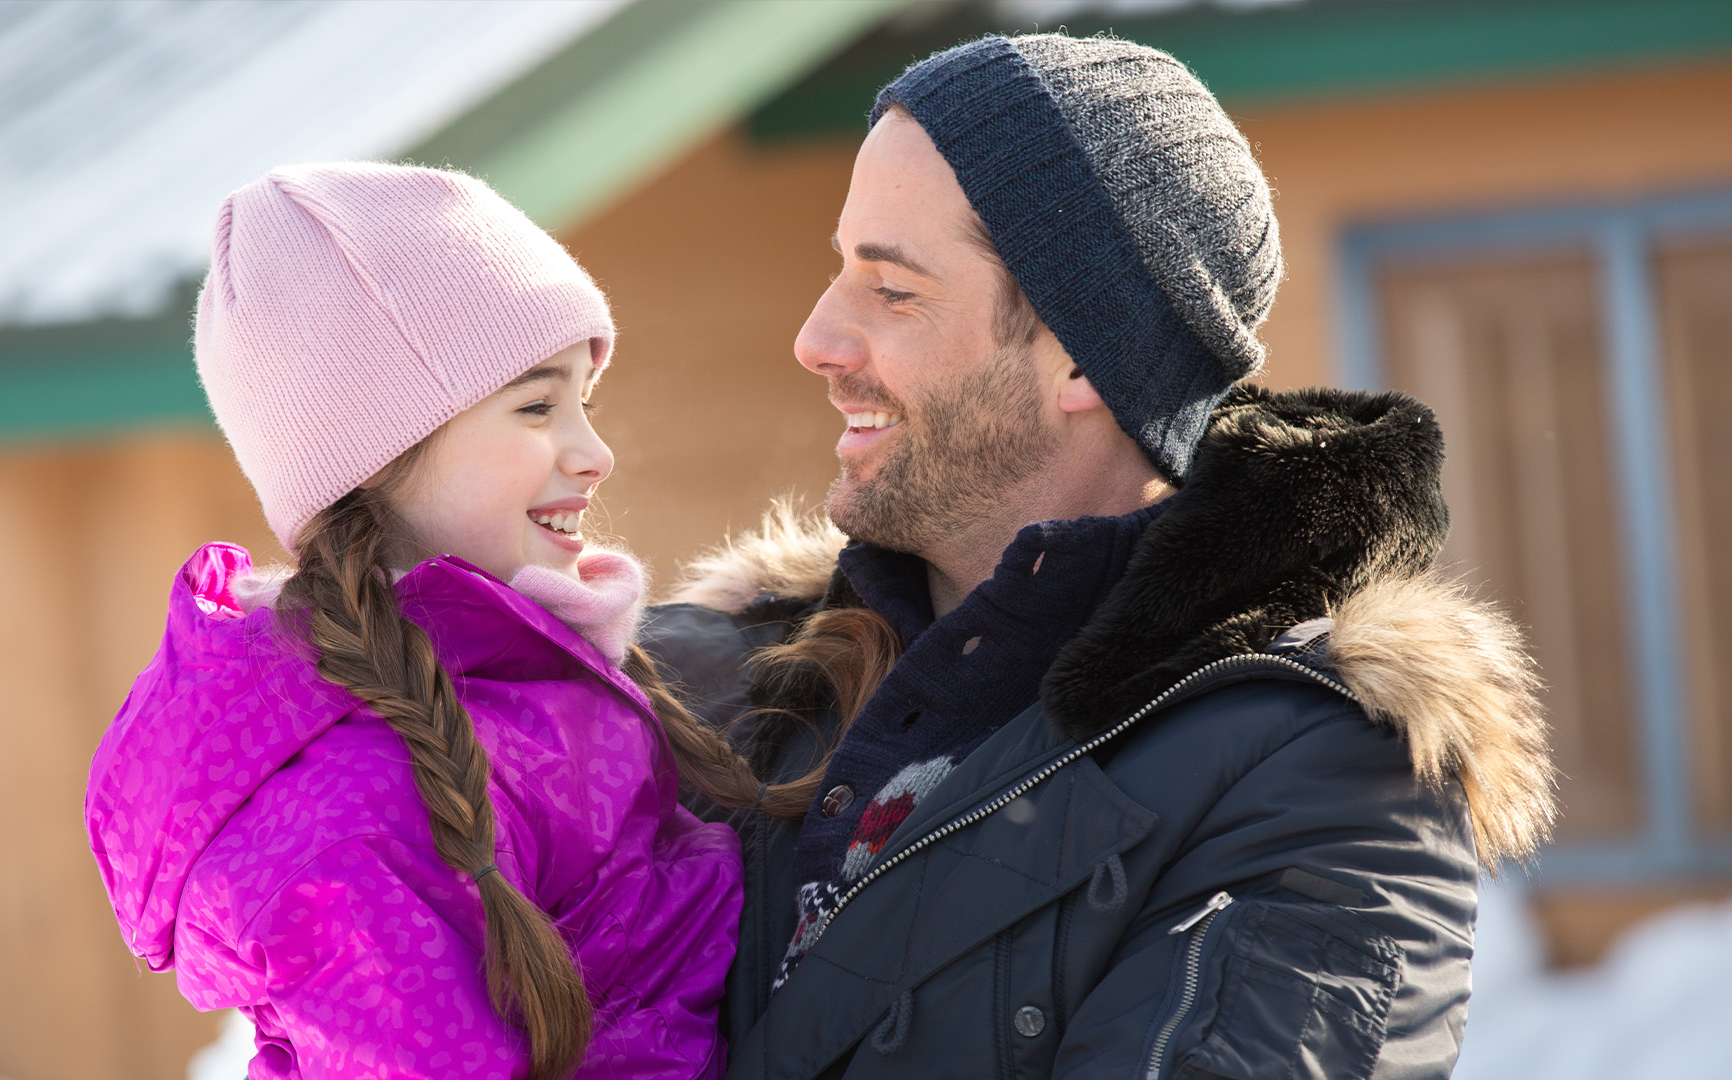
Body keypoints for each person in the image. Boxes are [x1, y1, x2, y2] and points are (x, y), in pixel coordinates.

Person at [642, 35, 1555, 1080]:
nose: (817, 339)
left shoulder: (1323, 784)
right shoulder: (699, 682)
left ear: (1082, 355)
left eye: (892, 292)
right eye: (838, 272)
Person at [85, 163, 772, 1080]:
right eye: (536, 406)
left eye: (586, 402)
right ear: (377, 457)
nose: (596, 452)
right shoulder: (349, 820)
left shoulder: (528, 676)